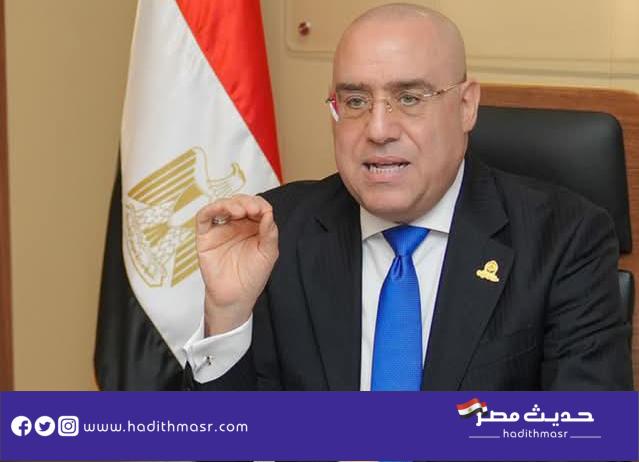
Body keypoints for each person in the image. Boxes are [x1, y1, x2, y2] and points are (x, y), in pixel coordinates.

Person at [182, 3, 633, 391]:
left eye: (410, 98)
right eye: (355, 101)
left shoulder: (564, 238)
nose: (378, 130)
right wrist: (228, 316)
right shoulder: (277, 233)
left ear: (466, 106)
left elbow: (589, 435)